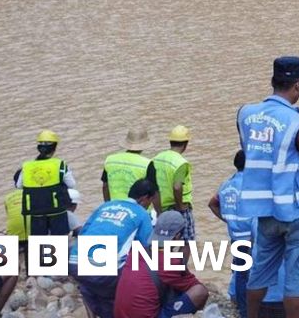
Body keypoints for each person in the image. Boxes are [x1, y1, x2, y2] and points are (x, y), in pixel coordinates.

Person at [238, 56, 299, 318]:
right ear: (298, 85)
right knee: (297, 279)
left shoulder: (246, 114)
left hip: (266, 208)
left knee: (259, 272)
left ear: (273, 81)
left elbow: (254, 152)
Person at [69, 180, 157, 318]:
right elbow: (145, 248)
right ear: (145, 198)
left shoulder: (106, 206)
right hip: (104, 271)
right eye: (151, 200)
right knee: (119, 288)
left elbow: (83, 233)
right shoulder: (141, 214)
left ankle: (93, 310)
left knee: (89, 285)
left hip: (74, 262)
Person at [113, 210, 208, 318]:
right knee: (200, 291)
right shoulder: (171, 263)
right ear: (177, 236)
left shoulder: (134, 252)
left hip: (120, 315)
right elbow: (197, 288)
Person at [209, 150, 252, 317]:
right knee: (254, 274)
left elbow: (212, 203)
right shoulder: (251, 185)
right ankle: (249, 310)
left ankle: (241, 308)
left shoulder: (226, 185)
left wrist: (227, 219)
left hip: (236, 235)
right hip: (252, 236)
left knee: (241, 273)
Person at [15, 130, 76, 236]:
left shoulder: (27, 166)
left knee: (39, 243)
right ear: (55, 147)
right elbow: (71, 184)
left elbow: (19, 185)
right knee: (59, 242)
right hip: (57, 211)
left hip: (36, 211)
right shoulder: (60, 165)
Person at [102, 127, 160, 211]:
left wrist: (108, 206)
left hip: (114, 209)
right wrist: (159, 213)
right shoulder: (147, 164)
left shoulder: (110, 160)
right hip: (138, 211)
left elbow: (105, 186)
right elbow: (154, 194)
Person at [153, 126, 194, 241]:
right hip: (178, 207)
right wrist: (180, 207)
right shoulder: (180, 162)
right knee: (187, 240)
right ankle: (180, 260)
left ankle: (167, 259)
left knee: (165, 240)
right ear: (186, 144)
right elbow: (177, 187)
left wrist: (158, 211)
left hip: (161, 208)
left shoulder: (156, 159)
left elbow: (152, 185)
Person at [3, 175, 28, 251]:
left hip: (14, 235)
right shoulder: (35, 194)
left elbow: (10, 216)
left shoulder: (7, 197)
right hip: (32, 235)